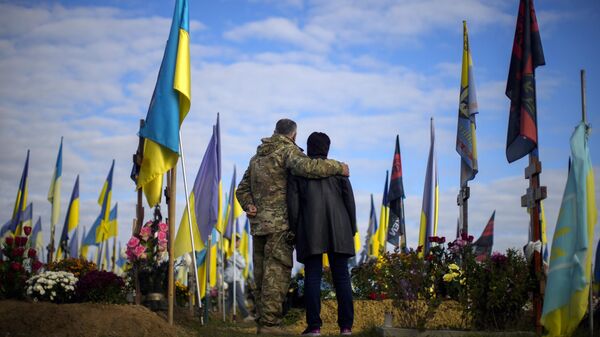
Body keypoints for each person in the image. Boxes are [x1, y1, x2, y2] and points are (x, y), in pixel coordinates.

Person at [236, 119, 349, 335]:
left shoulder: (257, 157)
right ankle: (270, 326)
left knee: (261, 276)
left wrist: (249, 204)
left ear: (275, 131)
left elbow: (242, 189)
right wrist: (338, 167)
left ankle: (263, 323)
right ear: (293, 135)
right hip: (280, 224)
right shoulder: (287, 152)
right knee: (276, 274)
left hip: (259, 224)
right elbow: (309, 167)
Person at [287, 132, 356, 336]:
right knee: (342, 277)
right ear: (327, 148)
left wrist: (295, 229)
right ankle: (346, 327)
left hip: (310, 230)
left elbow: (293, 205)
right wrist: (351, 228)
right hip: (340, 229)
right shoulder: (340, 170)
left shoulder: (297, 171)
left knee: (313, 278)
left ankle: (314, 327)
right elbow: (349, 201)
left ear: (308, 148)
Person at [224, 234, 254, 322]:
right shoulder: (232, 252)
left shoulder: (233, 252)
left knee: (230, 299)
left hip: (232, 277)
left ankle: (224, 315)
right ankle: (246, 316)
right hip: (233, 278)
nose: (240, 243)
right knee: (240, 297)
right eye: (238, 241)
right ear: (235, 242)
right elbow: (243, 264)